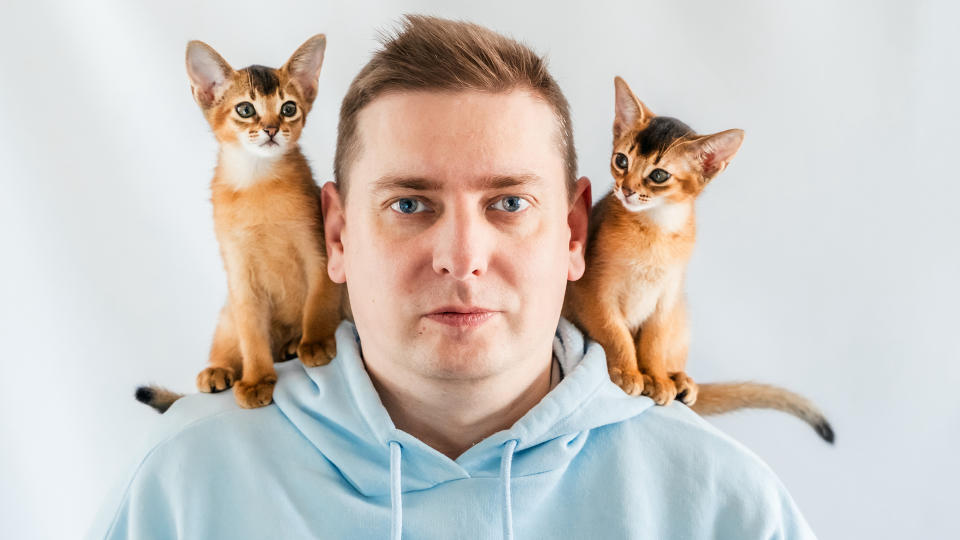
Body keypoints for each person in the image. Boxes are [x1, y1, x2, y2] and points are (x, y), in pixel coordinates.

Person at [88, 15, 815, 539]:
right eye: (409, 203)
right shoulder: (182, 487)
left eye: (508, 202)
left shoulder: (726, 506)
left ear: (572, 233)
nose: (460, 257)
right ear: (336, 234)